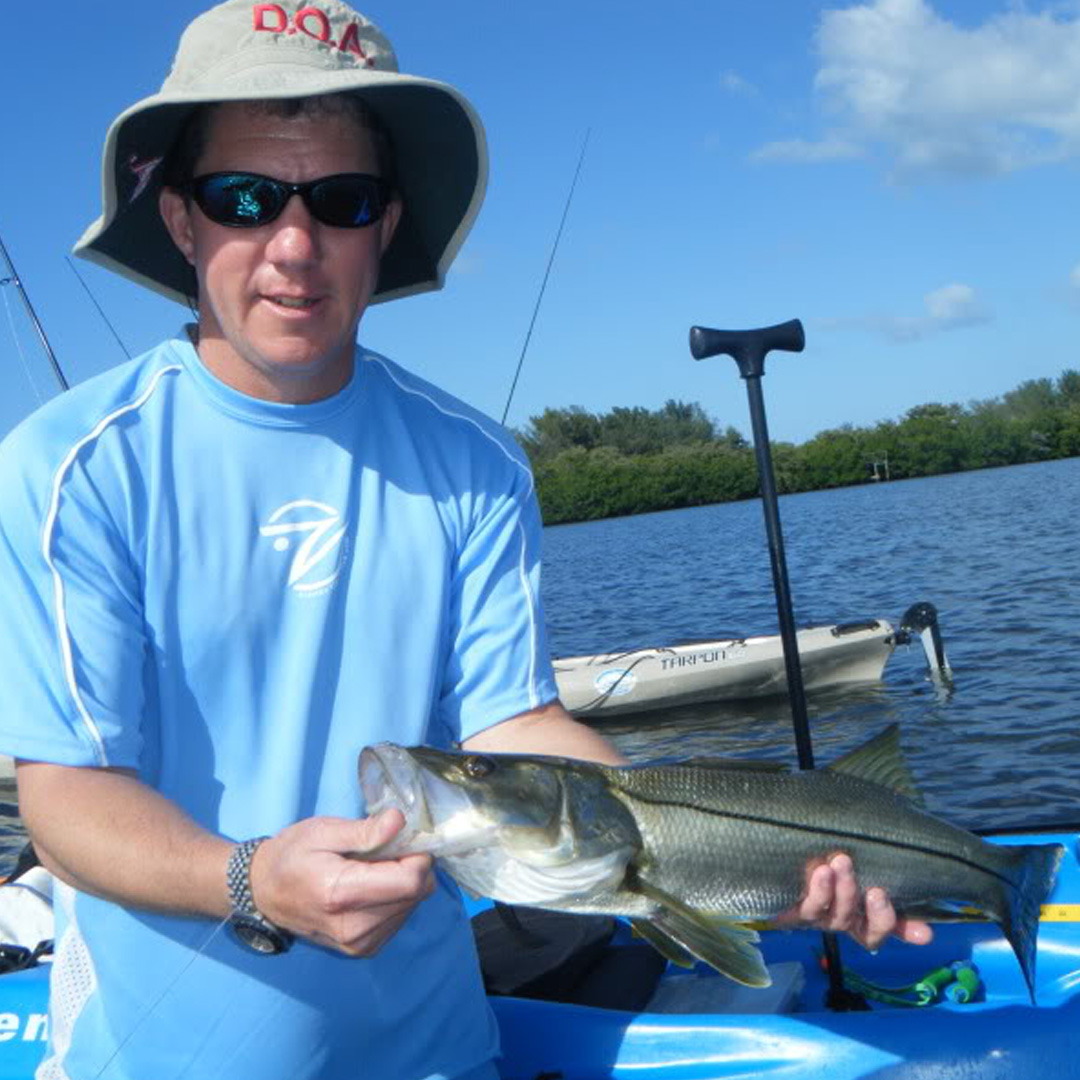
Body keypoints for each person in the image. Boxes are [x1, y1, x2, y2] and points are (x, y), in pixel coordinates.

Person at [0, 3, 929, 1077]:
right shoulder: (68, 466)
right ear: (179, 218)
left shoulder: (476, 463)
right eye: (243, 198)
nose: (294, 247)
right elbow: (67, 799)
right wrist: (250, 879)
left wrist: (740, 851)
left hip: (440, 1054)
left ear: (385, 225)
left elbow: (517, 720)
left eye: (340, 201)